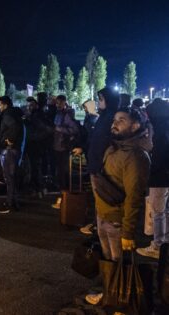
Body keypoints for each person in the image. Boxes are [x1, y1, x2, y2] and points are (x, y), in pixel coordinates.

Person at [85, 108, 151, 306]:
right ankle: (110, 295)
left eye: (122, 120)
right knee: (108, 261)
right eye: (114, 119)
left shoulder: (137, 156)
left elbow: (135, 197)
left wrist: (129, 233)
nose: (115, 123)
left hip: (118, 221)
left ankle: (123, 303)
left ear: (135, 126)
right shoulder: (114, 147)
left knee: (121, 263)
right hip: (103, 214)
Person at [74, 87, 120, 235]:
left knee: (103, 200)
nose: (98, 102)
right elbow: (94, 139)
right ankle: (99, 225)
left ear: (108, 100)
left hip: (102, 167)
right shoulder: (104, 116)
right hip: (97, 165)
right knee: (99, 200)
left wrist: (99, 164)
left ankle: (101, 228)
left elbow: (105, 143)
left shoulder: (112, 118)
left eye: (100, 99)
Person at [137, 99, 169, 259]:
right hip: (164, 175)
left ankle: (158, 245)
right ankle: (164, 243)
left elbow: (157, 154)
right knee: (164, 210)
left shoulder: (160, 131)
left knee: (158, 212)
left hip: (160, 176)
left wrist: (150, 172)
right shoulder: (165, 126)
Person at [51, 95, 79, 208]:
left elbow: (74, 129)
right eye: (56, 103)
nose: (57, 105)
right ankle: (62, 195)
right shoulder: (57, 113)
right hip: (56, 146)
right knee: (59, 171)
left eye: (60, 103)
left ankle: (65, 198)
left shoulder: (67, 115)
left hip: (63, 147)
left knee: (64, 172)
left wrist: (59, 129)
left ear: (64, 103)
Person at [0, 96, 23, 213]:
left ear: (5, 105)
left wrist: (9, 140)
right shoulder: (14, 113)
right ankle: (14, 202)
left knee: (9, 178)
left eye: (0, 105)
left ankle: (9, 204)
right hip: (14, 150)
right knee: (13, 177)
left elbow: (15, 127)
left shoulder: (7, 115)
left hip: (8, 150)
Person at [24, 96, 53, 198]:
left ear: (36, 105)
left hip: (36, 146)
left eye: (31, 105)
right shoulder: (35, 115)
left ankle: (38, 189)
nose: (29, 107)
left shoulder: (37, 116)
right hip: (36, 145)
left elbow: (47, 130)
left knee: (35, 168)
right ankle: (39, 188)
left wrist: (34, 138)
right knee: (35, 167)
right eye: (28, 105)